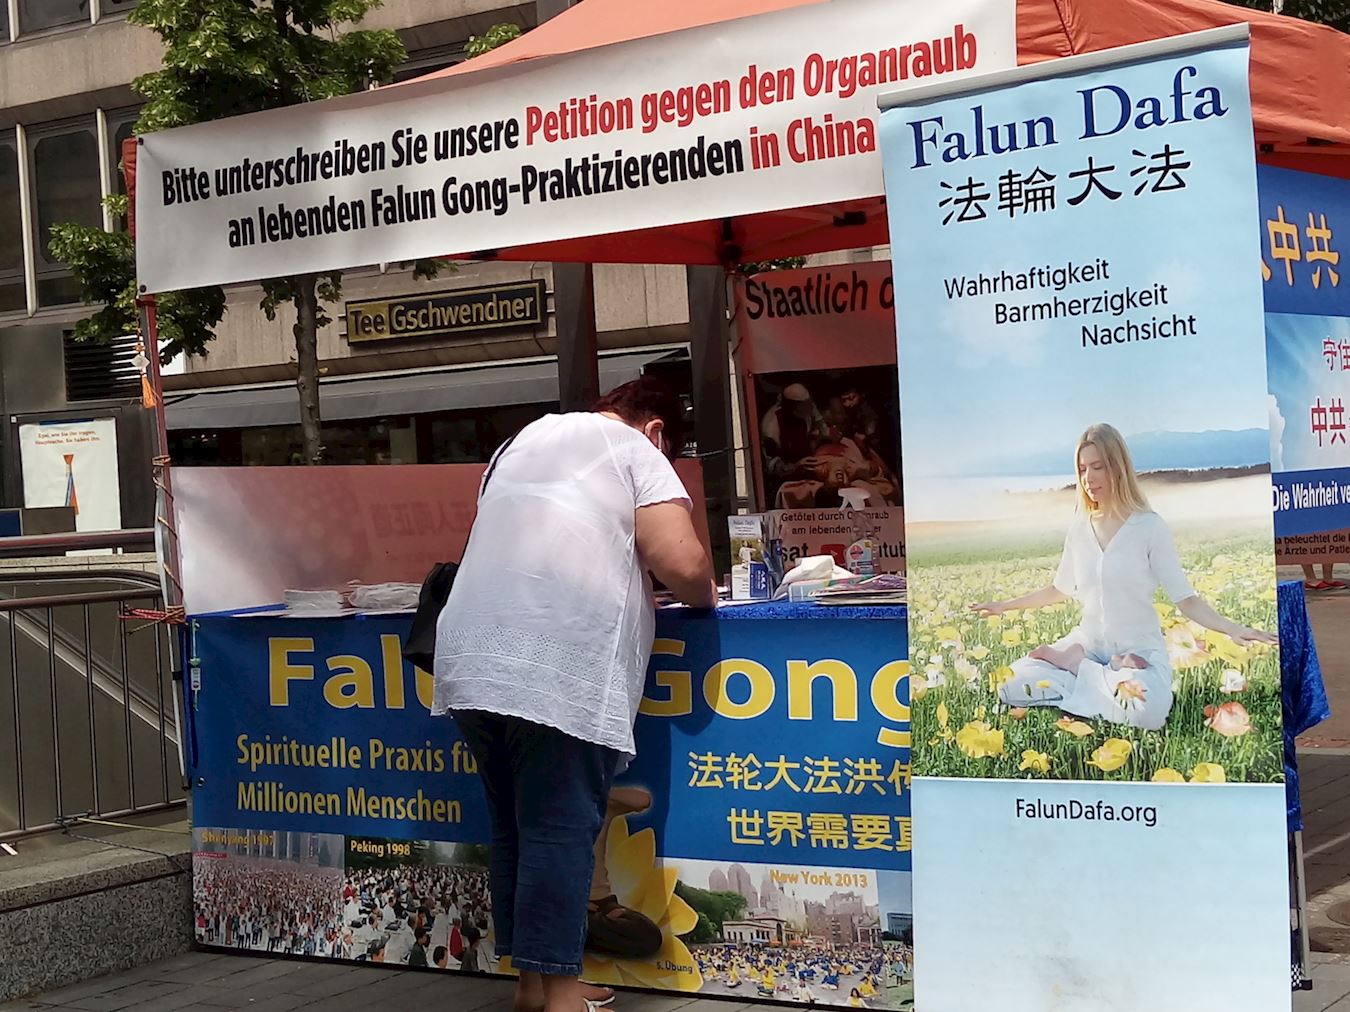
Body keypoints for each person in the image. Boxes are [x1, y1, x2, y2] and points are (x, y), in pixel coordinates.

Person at [434, 378, 717, 1012]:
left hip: (470, 657)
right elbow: (683, 564)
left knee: (515, 829)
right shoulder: (635, 448)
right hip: (557, 661)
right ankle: (563, 998)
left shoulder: (521, 441)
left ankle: (534, 988)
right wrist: (706, 593)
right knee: (559, 830)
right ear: (656, 431)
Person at [974, 423, 1276, 731]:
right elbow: (1058, 589)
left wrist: (1232, 628)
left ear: (1118, 468)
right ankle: (1094, 671)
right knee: (1010, 684)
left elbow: (1186, 599)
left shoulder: (1149, 527)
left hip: (1138, 652)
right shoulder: (1079, 529)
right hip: (1088, 644)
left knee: (1146, 712)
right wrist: (1003, 606)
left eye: (1097, 467)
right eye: (1082, 469)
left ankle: (1082, 670)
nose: (1088, 478)